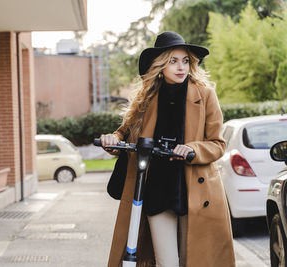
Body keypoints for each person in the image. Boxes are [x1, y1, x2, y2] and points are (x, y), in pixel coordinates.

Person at [100, 31, 235, 267]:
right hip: (156, 190)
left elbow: (217, 144)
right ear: (160, 65)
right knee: (167, 263)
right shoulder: (146, 99)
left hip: (195, 191)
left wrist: (192, 149)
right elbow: (123, 133)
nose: (181, 67)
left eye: (185, 61)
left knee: (195, 261)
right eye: (173, 61)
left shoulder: (205, 95)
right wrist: (111, 140)